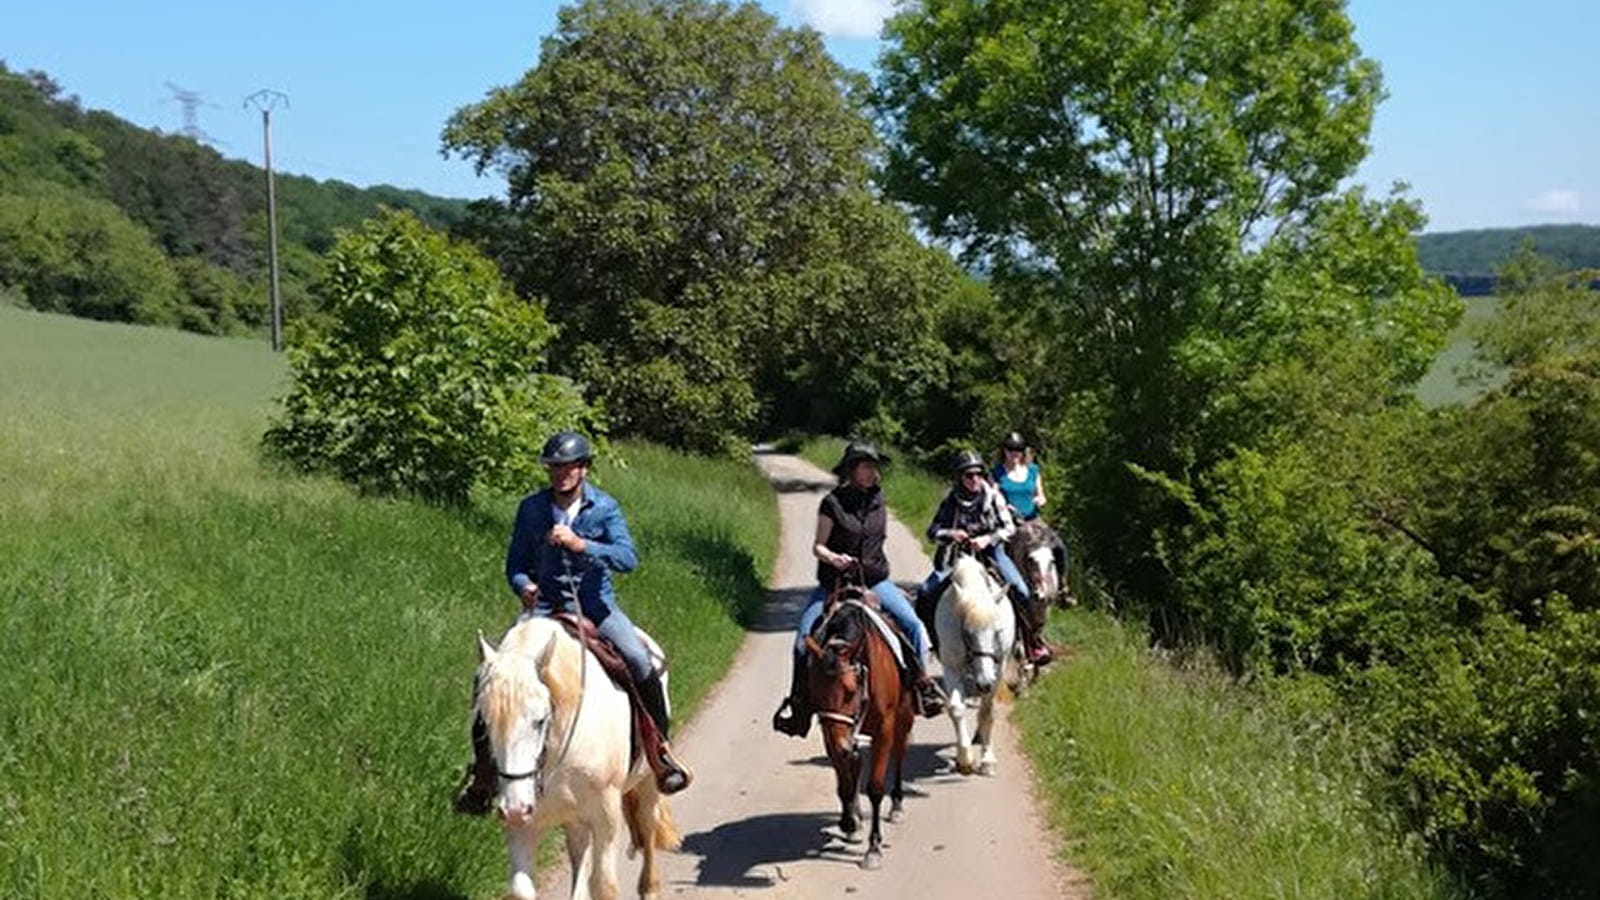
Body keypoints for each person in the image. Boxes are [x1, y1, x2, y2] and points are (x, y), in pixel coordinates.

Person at [454, 431, 690, 816]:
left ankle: (660, 753)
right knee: (489, 676)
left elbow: (627, 558)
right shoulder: (531, 509)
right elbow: (514, 565)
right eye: (554, 467)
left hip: (595, 607)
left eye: (567, 467)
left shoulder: (605, 508)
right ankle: (483, 776)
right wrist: (523, 585)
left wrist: (584, 546)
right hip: (543, 607)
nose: (560, 474)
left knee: (639, 661)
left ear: (584, 469)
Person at [772, 440, 945, 738]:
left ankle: (923, 686)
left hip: (875, 579)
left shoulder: (879, 499)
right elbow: (818, 547)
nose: (870, 472)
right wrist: (834, 558)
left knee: (914, 625)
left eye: (873, 467)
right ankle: (799, 706)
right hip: (834, 583)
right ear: (851, 470)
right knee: (802, 642)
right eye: (865, 466)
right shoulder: (832, 503)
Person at [916, 450, 1051, 664]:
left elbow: (1008, 528)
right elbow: (932, 532)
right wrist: (952, 534)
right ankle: (934, 642)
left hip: (991, 553)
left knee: (1021, 591)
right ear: (960, 477)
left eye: (978, 474)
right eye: (969, 475)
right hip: (957, 557)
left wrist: (988, 539)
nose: (975, 479)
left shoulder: (993, 496)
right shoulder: (951, 500)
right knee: (925, 593)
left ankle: (1031, 642)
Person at [992, 431, 1069, 580]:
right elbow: (993, 497)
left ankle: (1063, 586)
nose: (1015, 454)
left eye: (1018, 450)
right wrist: (1005, 508)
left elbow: (1040, 494)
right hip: (1009, 522)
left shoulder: (1033, 470)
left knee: (1058, 546)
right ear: (1004, 451)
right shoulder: (996, 473)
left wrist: (1040, 499)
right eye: (1010, 449)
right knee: (1009, 551)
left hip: (1032, 519)